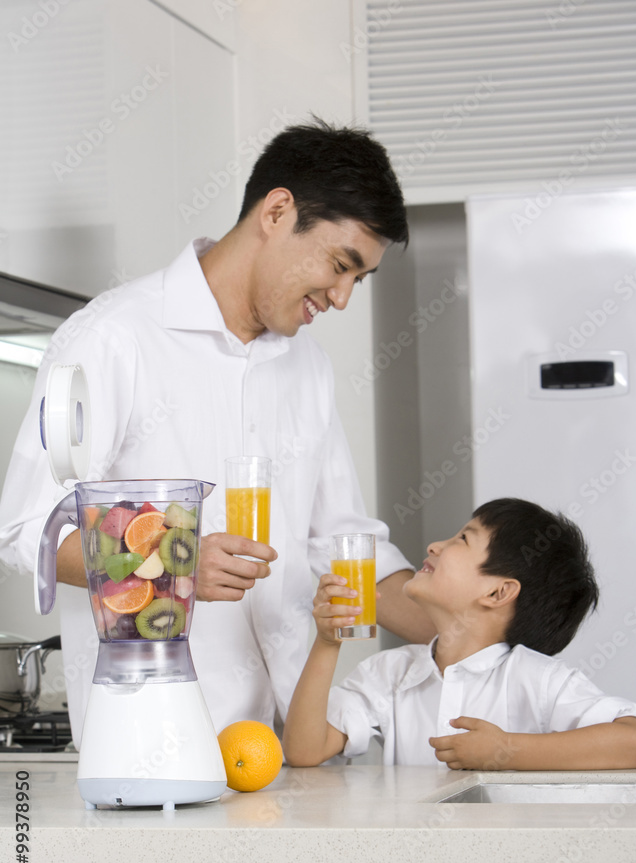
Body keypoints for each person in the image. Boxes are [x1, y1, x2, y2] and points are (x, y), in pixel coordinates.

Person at [0, 119, 434, 747]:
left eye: (358, 280)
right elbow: (27, 528)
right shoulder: (111, 339)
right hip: (160, 744)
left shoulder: (305, 364)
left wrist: (474, 621)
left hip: (292, 747)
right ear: (278, 211)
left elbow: (343, 544)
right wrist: (168, 567)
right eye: (341, 266)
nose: (341, 298)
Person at [283, 498, 636, 770]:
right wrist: (327, 643)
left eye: (462, 539)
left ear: (497, 593)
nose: (434, 546)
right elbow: (304, 751)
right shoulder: (388, 674)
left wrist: (507, 750)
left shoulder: (539, 680)